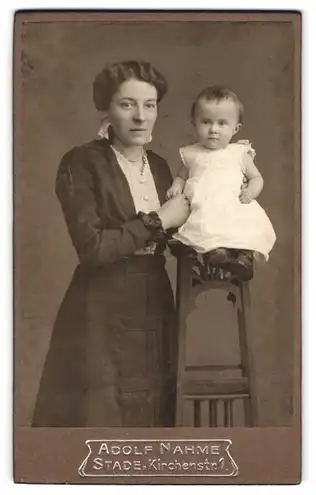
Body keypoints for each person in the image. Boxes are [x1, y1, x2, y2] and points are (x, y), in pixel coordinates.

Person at [32, 60, 190, 427]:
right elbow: (94, 248)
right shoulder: (81, 163)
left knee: (151, 417)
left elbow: (177, 237)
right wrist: (159, 220)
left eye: (149, 105)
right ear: (105, 109)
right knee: (99, 419)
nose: (140, 116)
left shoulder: (163, 167)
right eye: (127, 104)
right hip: (100, 310)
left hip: (154, 302)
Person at [166, 85, 276, 280]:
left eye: (222, 123)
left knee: (244, 229)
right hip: (203, 205)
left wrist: (250, 192)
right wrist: (176, 186)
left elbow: (257, 178)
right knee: (204, 228)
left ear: (236, 128)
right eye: (206, 122)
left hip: (231, 204)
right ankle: (217, 254)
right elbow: (182, 176)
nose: (213, 130)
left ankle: (243, 258)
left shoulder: (239, 153)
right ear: (194, 123)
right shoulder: (192, 153)